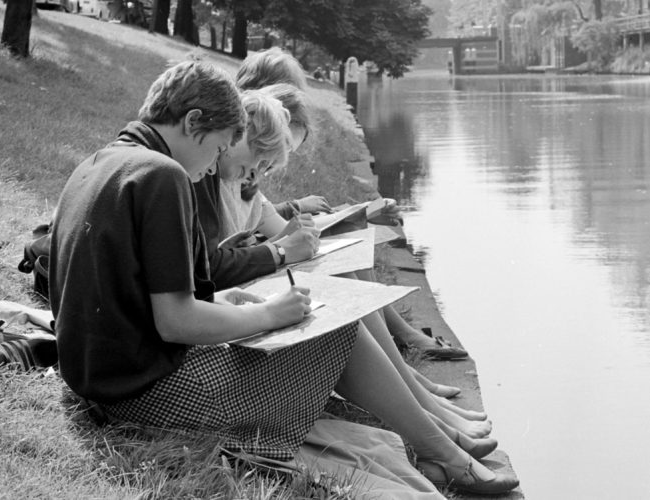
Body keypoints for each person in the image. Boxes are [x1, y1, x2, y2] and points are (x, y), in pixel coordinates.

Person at [50, 60, 519, 496]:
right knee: (336, 327)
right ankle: (442, 451)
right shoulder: (162, 175)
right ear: (192, 123)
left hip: (99, 382)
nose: (213, 167)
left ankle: (438, 440)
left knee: (317, 319)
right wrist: (268, 314)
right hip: (146, 397)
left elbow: (140, 296)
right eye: (215, 150)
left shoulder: (100, 162)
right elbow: (176, 322)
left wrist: (236, 304)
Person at [235, 48, 470, 362]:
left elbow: (258, 213)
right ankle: (400, 354)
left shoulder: (241, 160)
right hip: (250, 272)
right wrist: (353, 216)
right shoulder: (237, 164)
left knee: (343, 245)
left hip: (257, 255)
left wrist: (323, 213)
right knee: (340, 255)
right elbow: (256, 223)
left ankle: (398, 352)